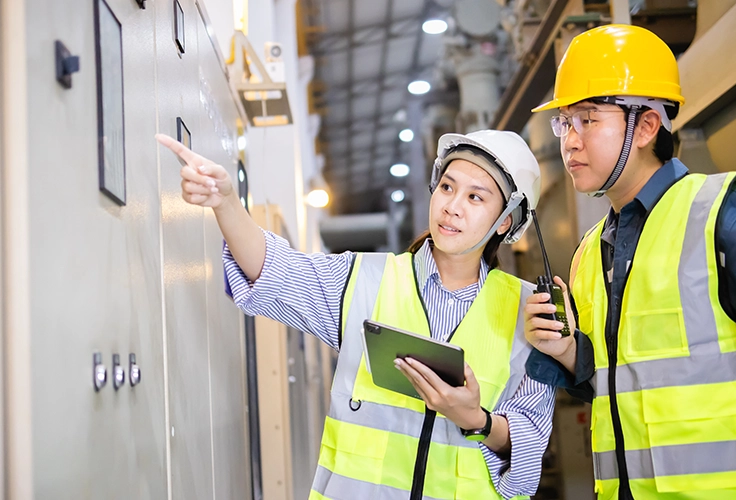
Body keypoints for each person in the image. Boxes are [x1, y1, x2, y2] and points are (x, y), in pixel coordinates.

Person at [523, 24, 736, 499]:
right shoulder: (591, 249)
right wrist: (569, 355)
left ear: (646, 127)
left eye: (588, 119)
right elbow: (625, 388)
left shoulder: (726, 213)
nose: (570, 141)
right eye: (564, 122)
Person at [157, 129, 556, 499]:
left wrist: (476, 420)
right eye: (447, 187)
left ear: (506, 220)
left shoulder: (530, 315)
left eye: (475, 197)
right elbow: (273, 271)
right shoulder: (362, 279)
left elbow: (526, 460)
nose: (452, 207)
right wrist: (226, 202)